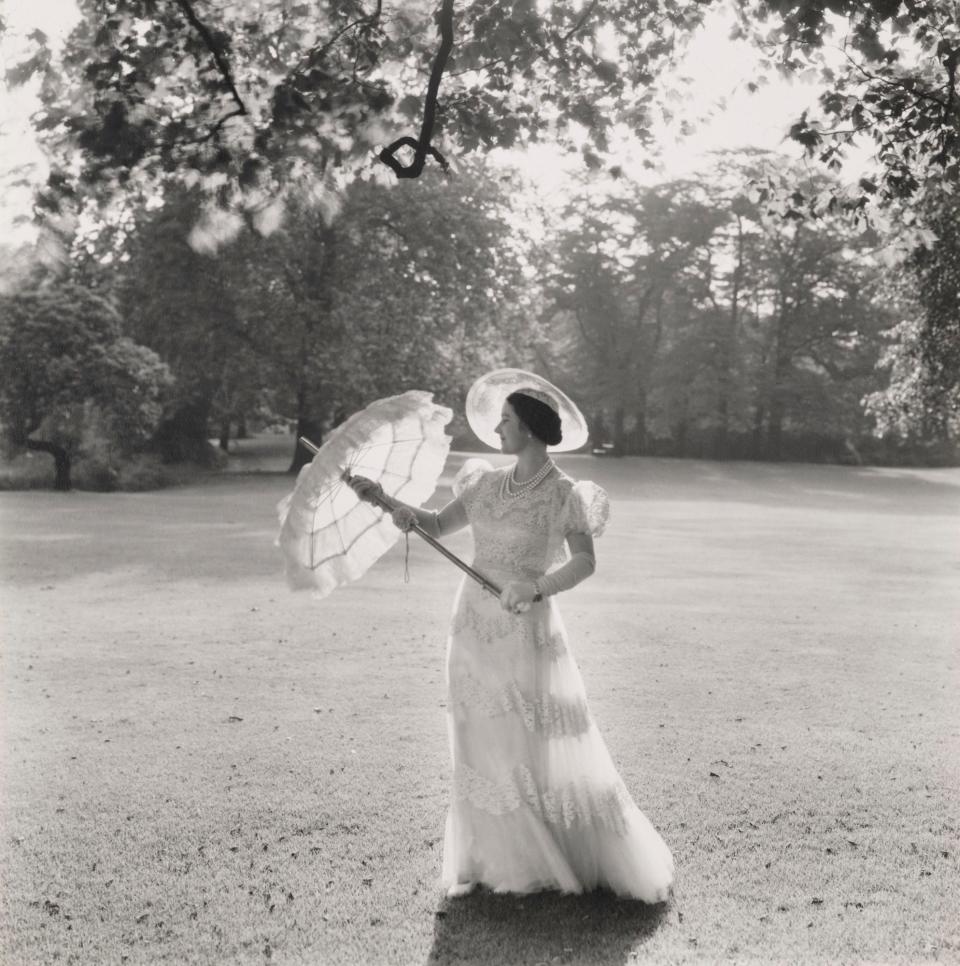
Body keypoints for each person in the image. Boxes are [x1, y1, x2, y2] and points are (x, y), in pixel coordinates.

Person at [349, 375, 674, 902]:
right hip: (471, 625)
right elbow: (433, 522)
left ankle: (537, 854)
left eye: (505, 420)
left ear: (528, 428)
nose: (497, 428)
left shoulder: (565, 495)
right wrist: (386, 500)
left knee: (523, 739)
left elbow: (586, 562)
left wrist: (536, 587)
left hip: (525, 626)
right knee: (477, 737)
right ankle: (488, 858)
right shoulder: (481, 483)